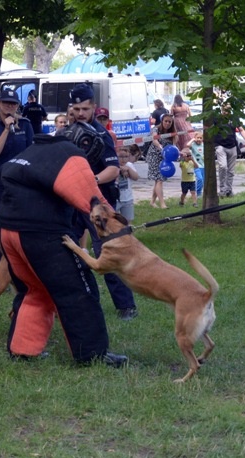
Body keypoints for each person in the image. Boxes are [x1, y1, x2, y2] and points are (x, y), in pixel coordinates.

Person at [0, 122, 127, 367]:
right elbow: (92, 202)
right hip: (41, 233)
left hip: (8, 230)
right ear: (85, 145)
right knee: (79, 289)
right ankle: (93, 355)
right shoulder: (70, 155)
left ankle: (22, 349)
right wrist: (122, 230)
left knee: (34, 290)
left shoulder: (33, 150)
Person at [69, 83, 138, 321]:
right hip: (71, 201)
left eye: (85, 109)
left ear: (93, 107)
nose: (80, 114)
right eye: (76, 109)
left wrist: (89, 181)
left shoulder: (101, 133)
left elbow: (112, 169)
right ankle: (76, 301)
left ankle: (126, 306)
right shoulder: (67, 133)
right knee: (64, 249)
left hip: (100, 202)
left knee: (108, 253)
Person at [0, 90, 34, 284]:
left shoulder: (27, 125)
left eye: (13, 104)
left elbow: (31, 152)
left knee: (23, 224)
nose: (9, 107)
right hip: (0, 181)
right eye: (6, 103)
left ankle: (22, 272)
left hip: (22, 181)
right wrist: (6, 129)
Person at [214, 103, 245, 198]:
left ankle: (229, 190)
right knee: (223, 167)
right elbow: (209, 130)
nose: (227, 112)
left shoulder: (234, 118)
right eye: (225, 110)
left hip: (232, 146)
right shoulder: (217, 118)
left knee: (231, 171)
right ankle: (222, 190)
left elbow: (241, 130)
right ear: (222, 110)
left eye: (228, 110)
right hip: (220, 146)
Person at [147, 113, 177, 209]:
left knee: (158, 181)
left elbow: (174, 145)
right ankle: (162, 203)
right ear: (162, 121)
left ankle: (152, 202)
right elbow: (154, 140)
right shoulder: (156, 129)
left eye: (169, 122)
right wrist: (160, 147)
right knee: (159, 180)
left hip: (165, 158)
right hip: (154, 156)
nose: (167, 123)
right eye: (166, 121)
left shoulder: (173, 132)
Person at [116, 146, 139, 224]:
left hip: (127, 198)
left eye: (126, 157)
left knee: (127, 221)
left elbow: (136, 177)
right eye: (121, 157)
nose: (123, 159)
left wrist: (128, 170)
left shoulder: (129, 165)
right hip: (116, 199)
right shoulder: (113, 165)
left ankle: (128, 234)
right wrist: (120, 170)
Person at [187, 131, 205, 198]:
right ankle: (198, 193)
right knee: (200, 179)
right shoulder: (193, 145)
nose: (199, 139)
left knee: (203, 180)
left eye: (201, 138)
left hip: (203, 166)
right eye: (198, 138)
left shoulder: (203, 145)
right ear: (195, 138)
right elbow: (188, 145)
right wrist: (192, 140)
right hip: (197, 166)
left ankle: (200, 192)